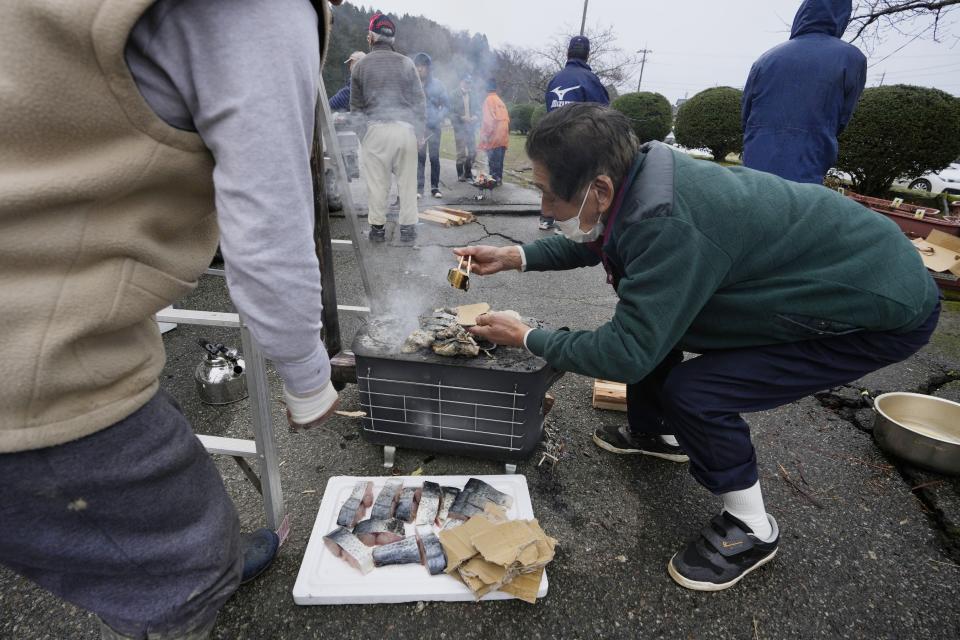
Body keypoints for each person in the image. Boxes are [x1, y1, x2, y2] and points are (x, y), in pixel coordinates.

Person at [456, 104, 939, 592]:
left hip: (874, 307)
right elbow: (600, 240)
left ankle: (751, 527)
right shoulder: (635, 179)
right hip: (833, 265)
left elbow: (625, 354)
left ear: (599, 188)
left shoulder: (666, 222)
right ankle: (657, 433)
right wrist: (515, 255)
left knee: (697, 391)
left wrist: (527, 337)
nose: (542, 209)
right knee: (654, 321)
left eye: (545, 193)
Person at [0, 0, 344, 637]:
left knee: (162, 480)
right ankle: (183, 574)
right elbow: (269, 237)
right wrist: (307, 377)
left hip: (37, 312)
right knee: (186, 568)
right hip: (34, 367)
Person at [742, 0, 867, 184]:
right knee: (795, 210)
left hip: (756, 160)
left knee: (753, 207)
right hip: (807, 161)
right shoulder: (852, 59)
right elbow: (842, 119)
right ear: (842, 16)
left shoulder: (766, 58)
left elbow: (746, 113)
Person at [351, 13, 426, 244]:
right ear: (392, 38)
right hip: (405, 130)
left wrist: (364, 135)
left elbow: (356, 108)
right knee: (407, 182)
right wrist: (420, 133)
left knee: (377, 185)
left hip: (376, 130)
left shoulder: (361, 65)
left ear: (371, 38)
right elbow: (419, 101)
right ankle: (407, 230)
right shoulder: (407, 62)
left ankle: (377, 230)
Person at [540, 35, 610, 230]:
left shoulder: (556, 79)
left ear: (567, 53)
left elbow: (548, 108)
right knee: (576, 183)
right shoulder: (590, 80)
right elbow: (604, 110)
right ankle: (569, 225)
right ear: (587, 55)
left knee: (553, 179)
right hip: (579, 141)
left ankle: (546, 219)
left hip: (553, 139)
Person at [413, 52, 450, 199]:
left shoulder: (438, 84)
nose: (419, 69)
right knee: (419, 158)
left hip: (434, 128)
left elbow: (447, 105)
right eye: (417, 66)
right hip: (418, 128)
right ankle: (419, 189)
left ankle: (435, 188)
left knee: (434, 158)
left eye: (422, 66)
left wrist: (438, 118)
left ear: (428, 68)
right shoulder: (412, 84)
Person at [477, 78, 509, 185]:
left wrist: (484, 137)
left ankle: (494, 181)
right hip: (503, 137)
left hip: (494, 137)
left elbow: (488, 121)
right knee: (499, 162)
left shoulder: (488, 100)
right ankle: (498, 179)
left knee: (493, 162)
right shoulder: (500, 101)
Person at [450, 74, 480, 182]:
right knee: (461, 152)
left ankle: (468, 172)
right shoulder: (453, 94)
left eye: (469, 82)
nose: (468, 84)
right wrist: (461, 117)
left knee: (473, 151)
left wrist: (476, 116)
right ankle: (460, 174)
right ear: (461, 82)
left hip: (470, 127)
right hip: (459, 127)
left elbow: (477, 109)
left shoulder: (473, 94)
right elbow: (451, 112)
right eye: (466, 82)